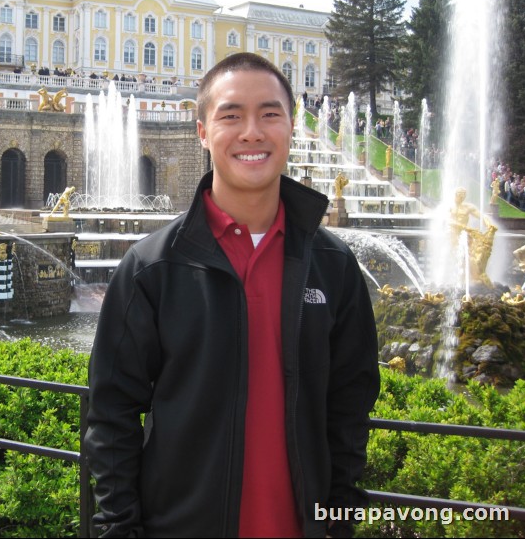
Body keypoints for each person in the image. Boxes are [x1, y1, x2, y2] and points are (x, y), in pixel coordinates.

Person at [84, 52, 380, 538]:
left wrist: (338, 520)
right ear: (202, 131)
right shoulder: (152, 268)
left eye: (269, 114)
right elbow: (111, 413)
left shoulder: (333, 266)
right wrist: (120, 527)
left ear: (292, 127)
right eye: (230, 115)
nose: (251, 133)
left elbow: (350, 407)